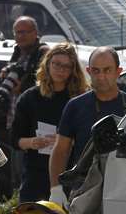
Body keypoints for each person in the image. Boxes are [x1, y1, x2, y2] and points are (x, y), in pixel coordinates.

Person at [49, 47, 126, 206]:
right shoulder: (75, 106)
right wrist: (55, 188)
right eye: (96, 71)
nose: (101, 76)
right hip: (84, 190)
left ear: (118, 71)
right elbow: (61, 149)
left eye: (107, 70)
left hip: (125, 190)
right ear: (88, 71)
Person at [12, 43, 89, 202]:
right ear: (47, 64)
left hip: (71, 173)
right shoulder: (30, 98)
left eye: (67, 66)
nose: (61, 70)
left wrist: (66, 142)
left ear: (73, 70)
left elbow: (89, 137)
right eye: (57, 64)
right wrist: (33, 142)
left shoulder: (80, 99)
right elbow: (14, 139)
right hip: (36, 174)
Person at [0, 17, 50, 102]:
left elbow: (48, 83)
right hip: (13, 110)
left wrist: (22, 87)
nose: (22, 35)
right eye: (18, 32)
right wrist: (4, 74)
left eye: (26, 32)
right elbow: (5, 81)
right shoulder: (18, 51)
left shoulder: (43, 52)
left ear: (35, 33)